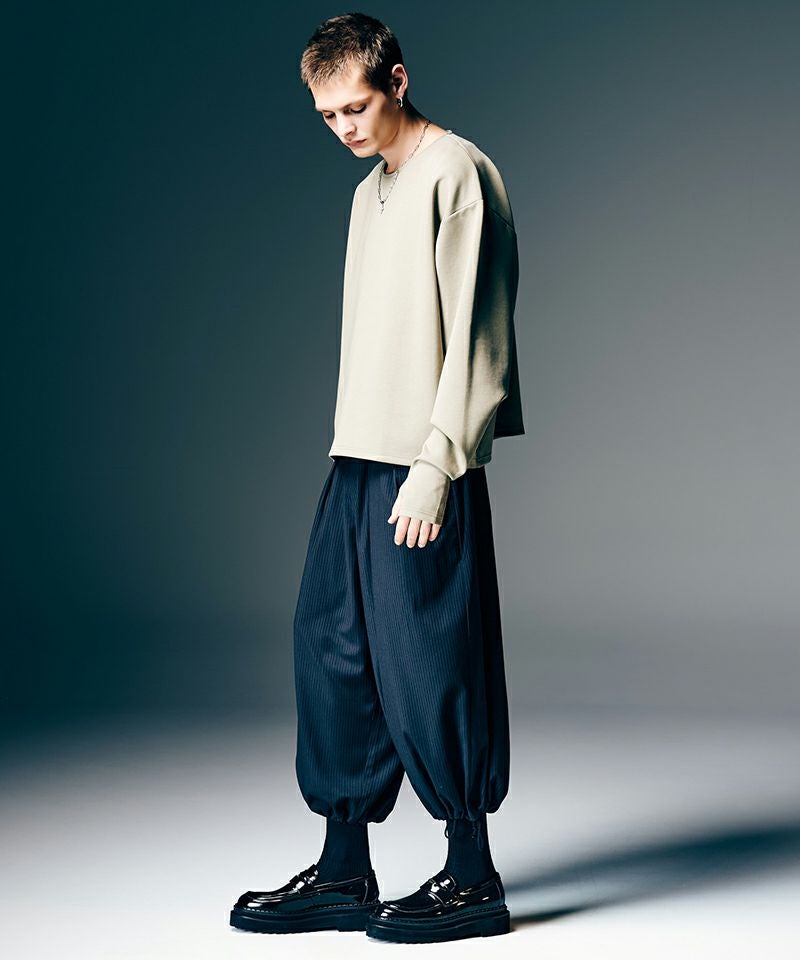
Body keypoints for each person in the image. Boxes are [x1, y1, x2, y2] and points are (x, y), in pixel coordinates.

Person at [230, 12, 524, 944]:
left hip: (424, 460)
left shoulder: (457, 173)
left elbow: (479, 336)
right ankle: (343, 871)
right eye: (327, 117)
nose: (344, 128)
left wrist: (438, 463)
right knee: (331, 646)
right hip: (357, 457)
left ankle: (472, 876)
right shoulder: (370, 192)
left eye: (354, 107)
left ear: (397, 80)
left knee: (429, 660)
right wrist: (357, 449)